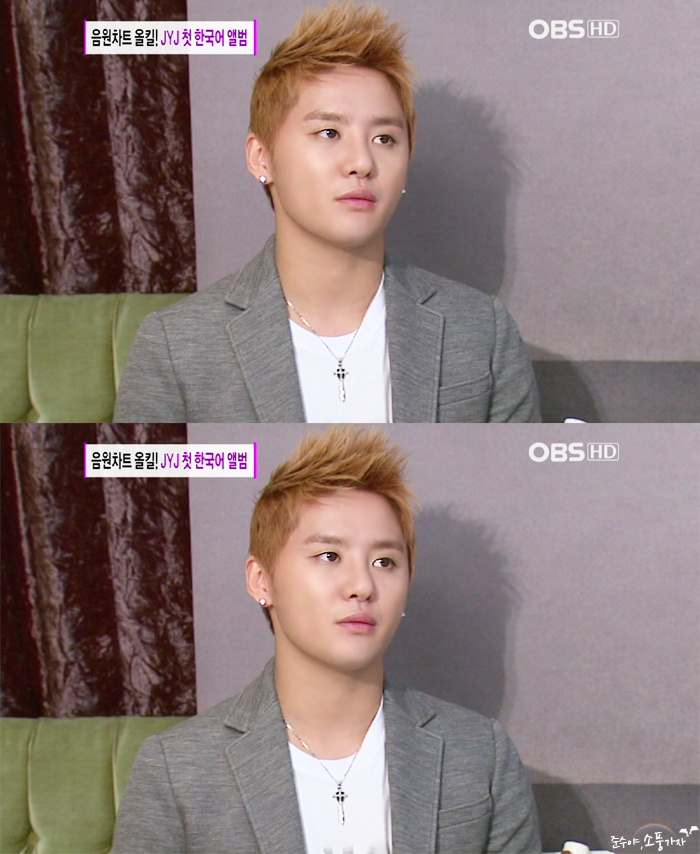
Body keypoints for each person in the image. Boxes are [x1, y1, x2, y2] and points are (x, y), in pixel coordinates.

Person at [112, 426, 541, 853]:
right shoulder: (176, 770)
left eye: (385, 562)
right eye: (330, 556)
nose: (362, 585)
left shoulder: (481, 756)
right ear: (261, 580)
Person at [113, 1, 540, 423]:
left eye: (385, 139)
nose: (362, 162)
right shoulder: (176, 346)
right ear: (261, 157)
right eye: (329, 132)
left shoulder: (482, 331)